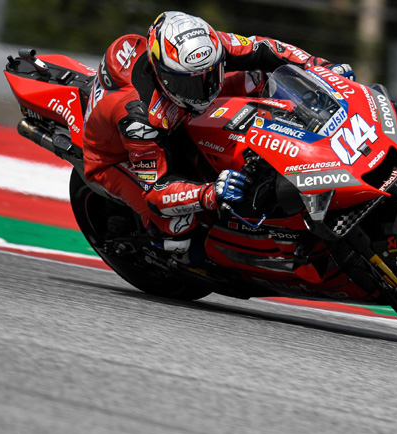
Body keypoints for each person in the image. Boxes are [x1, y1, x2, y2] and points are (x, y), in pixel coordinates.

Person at [82, 11, 354, 256]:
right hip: (117, 157)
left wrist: (319, 67)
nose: (202, 91)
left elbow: (266, 48)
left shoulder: (211, 45)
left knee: (259, 79)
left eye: (209, 76)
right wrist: (210, 194)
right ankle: (157, 246)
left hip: (178, 114)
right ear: (161, 73)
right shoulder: (138, 117)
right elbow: (157, 192)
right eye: (186, 84)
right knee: (177, 229)